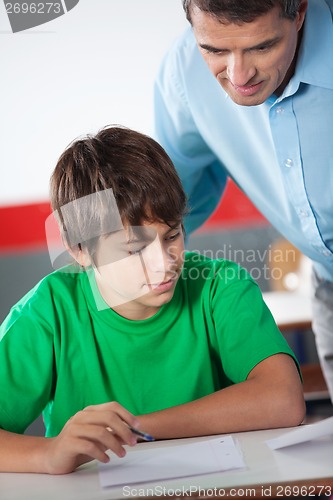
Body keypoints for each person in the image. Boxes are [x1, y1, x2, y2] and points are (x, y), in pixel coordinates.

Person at [0, 125, 304, 475]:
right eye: (135, 249)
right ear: (80, 250)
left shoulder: (220, 285)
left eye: (172, 235)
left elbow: (283, 399)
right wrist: (48, 455)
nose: (166, 263)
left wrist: (133, 428)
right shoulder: (48, 312)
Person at [153, 0, 333, 402]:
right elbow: (164, 207)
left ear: (299, 11)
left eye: (262, 46)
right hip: (329, 287)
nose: (239, 75)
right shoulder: (184, 73)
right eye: (214, 51)